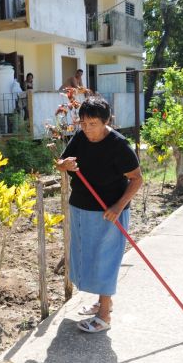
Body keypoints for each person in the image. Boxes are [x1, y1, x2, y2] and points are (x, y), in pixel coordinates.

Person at [55, 97, 143, 333]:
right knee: (88, 257)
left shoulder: (118, 145)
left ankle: (104, 316)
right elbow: (61, 161)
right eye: (83, 123)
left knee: (105, 260)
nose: (87, 128)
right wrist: (66, 164)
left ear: (106, 121)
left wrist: (118, 206)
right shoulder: (81, 136)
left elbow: (137, 179)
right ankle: (103, 302)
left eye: (92, 123)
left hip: (108, 212)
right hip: (82, 208)